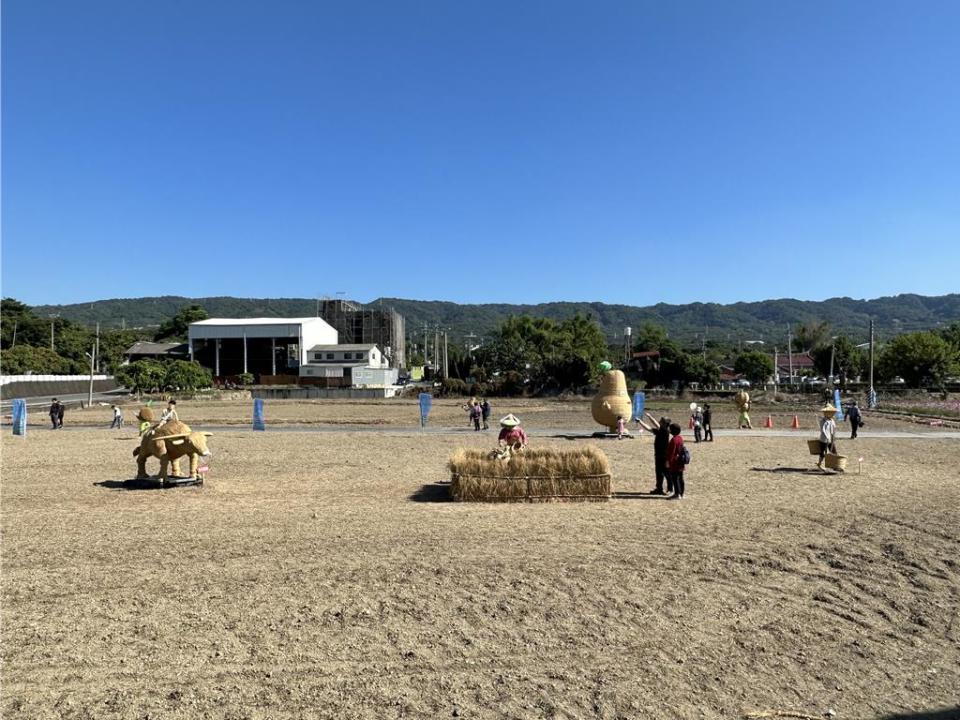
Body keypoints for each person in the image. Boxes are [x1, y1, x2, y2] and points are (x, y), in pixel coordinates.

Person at [638, 412, 673, 495]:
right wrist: (644, 419)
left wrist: (645, 419)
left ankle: (670, 489)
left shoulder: (664, 431)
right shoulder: (662, 430)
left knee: (666, 473)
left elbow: (652, 426)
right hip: (659, 455)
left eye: (661, 421)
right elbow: (652, 426)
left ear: (664, 424)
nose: (659, 421)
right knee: (659, 472)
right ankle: (659, 489)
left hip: (663, 456)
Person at [665, 423, 686, 499]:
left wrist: (668, 462)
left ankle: (677, 494)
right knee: (680, 478)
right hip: (680, 461)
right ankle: (682, 493)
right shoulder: (680, 438)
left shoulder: (673, 440)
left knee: (675, 478)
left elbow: (671, 453)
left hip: (674, 462)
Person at [817, 404, 838, 469]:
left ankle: (835, 465)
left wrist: (833, 436)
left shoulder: (832, 421)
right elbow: (823, 430)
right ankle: (819, 464)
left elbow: (834, 429)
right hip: (824, 439)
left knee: (834, 452)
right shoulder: (823, 421)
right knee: (823, 453)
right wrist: (827, 437)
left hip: (831, 439)